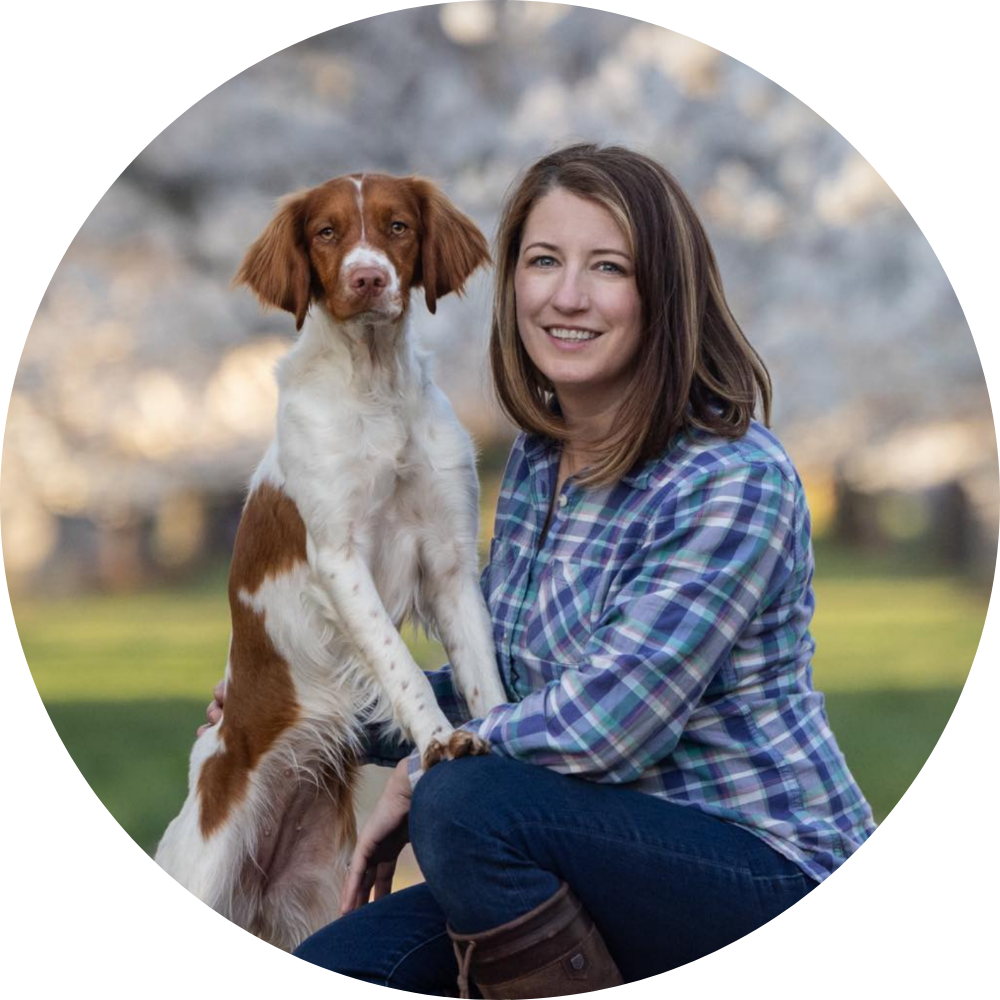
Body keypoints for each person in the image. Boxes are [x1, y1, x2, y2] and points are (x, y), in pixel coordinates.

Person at [203, 143, 877, 993]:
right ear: (513, 283)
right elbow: (514, 688)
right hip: (578, 849)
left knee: (464, 802)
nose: (568, 296)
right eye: (545, 261)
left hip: (759, 866)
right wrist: (309, 709)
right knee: (346, 962)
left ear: (665, 290)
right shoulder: (540, 456)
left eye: (609, 267)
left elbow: (608, 726)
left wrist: (426, 768)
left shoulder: (731, 478)